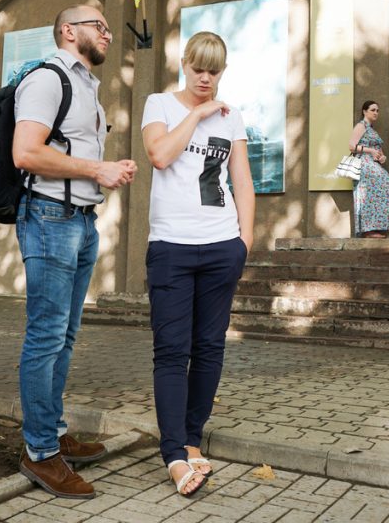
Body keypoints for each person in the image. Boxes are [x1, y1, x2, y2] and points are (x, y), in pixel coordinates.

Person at [12, 4, 137, 499]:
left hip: (79, 222)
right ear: (68, 31)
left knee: (64, 335)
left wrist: (98, 175)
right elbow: (27, 152)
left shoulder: (87, 85)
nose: (108, 33)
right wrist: (97, 170)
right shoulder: (48, 79)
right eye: (98, 26)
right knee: (45, 337)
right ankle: (39, 453)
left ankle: (53, 433)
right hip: (48, 218)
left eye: (107, 27)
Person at [141, 31, 255, 497]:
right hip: (171, 245)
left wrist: (244, 241)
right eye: (198, 68)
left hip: (221, 244)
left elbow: (242, 182)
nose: (205, 78)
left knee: (209, 348)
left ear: (222, 71)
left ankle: (191, 440)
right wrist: (197, 113)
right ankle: (172, 455)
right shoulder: (160, 104)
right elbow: (159, 155)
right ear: (184, 65)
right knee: (171, 351)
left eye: (214, 71)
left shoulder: (234, 118)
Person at [349, 101, 389, 238]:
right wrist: (370, 151)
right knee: (367, 194)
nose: (376, 112)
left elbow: (378, 151)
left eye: (377, 110)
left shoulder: (372, 129)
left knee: (387, 186)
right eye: (373, 110)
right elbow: (351, 146)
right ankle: (368, 230)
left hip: (372, 164)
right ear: (364, 111)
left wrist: (381, 157)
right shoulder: (360, 126)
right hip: (363, 163)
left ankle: (377, 226)